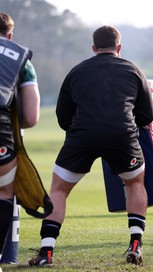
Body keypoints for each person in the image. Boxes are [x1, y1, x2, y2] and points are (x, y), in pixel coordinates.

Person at [28, 25, 153, 267]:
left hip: (83, 137)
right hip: (122, 135)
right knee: (135, 183)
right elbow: (146, 116)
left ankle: (46, 253)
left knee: (59, 190)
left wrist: (80, 132)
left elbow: (63, 116)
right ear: (119, 47)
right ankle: (136, 243)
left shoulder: (76, 72)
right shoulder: (134, 70)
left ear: (94, 48)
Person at [0, 12, 40, 262]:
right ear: (10, 35)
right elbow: (31, 117)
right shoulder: (21, 60)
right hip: (2, 129)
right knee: (4, 192)